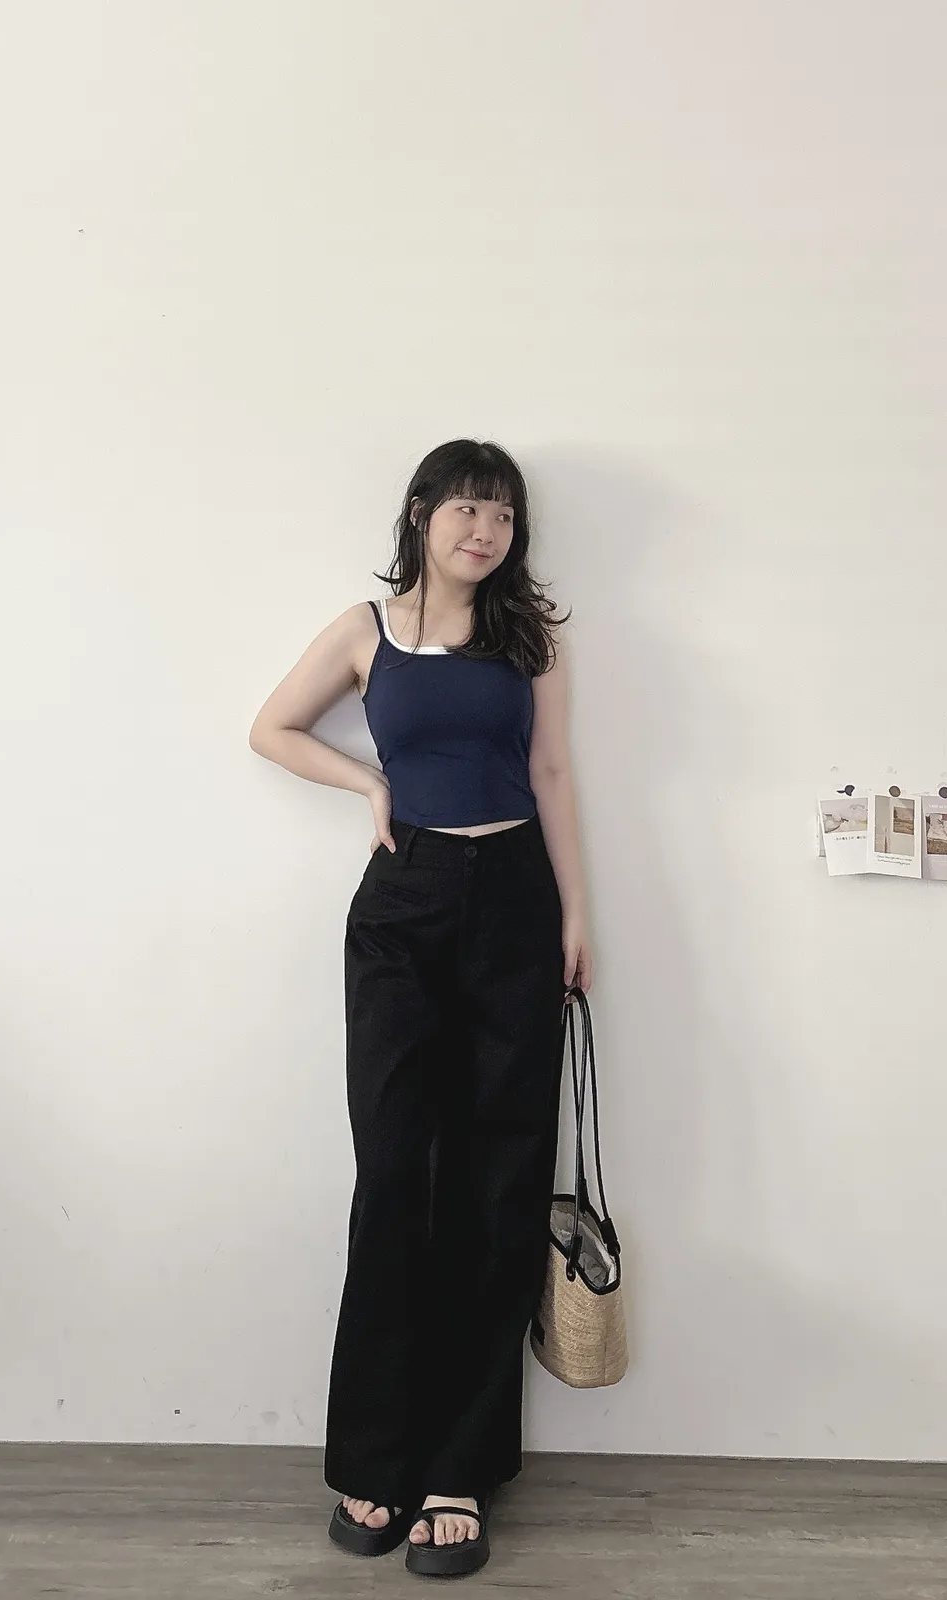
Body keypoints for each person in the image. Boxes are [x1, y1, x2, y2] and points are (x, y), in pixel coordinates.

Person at [249, 438, 593, 1579]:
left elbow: (552, 774)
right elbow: (272, 728)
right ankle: (378, 1457)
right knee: (397, 1174)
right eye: (466, 509)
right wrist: (370, 782)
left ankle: (460, 1469)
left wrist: (575, 915)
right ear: (422, 514)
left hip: (515, 901)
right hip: (403, 902)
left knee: (499, 1178)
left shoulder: (531, 634)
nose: (484, 531)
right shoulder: (366, 632)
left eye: (503, 515)